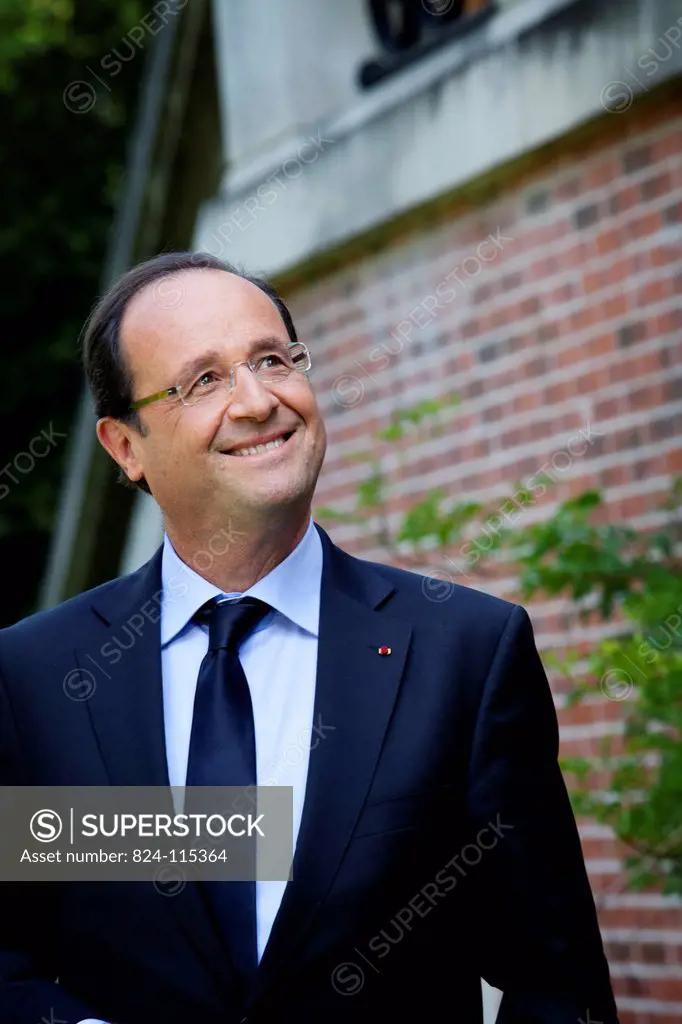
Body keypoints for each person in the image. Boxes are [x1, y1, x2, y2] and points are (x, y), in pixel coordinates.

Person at [0, 252, 619, 1024]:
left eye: (272, 359)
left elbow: (558, 986)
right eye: (204, 380)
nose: (258, 400)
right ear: (126, 448)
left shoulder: (464, 654)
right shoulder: (35, 677)